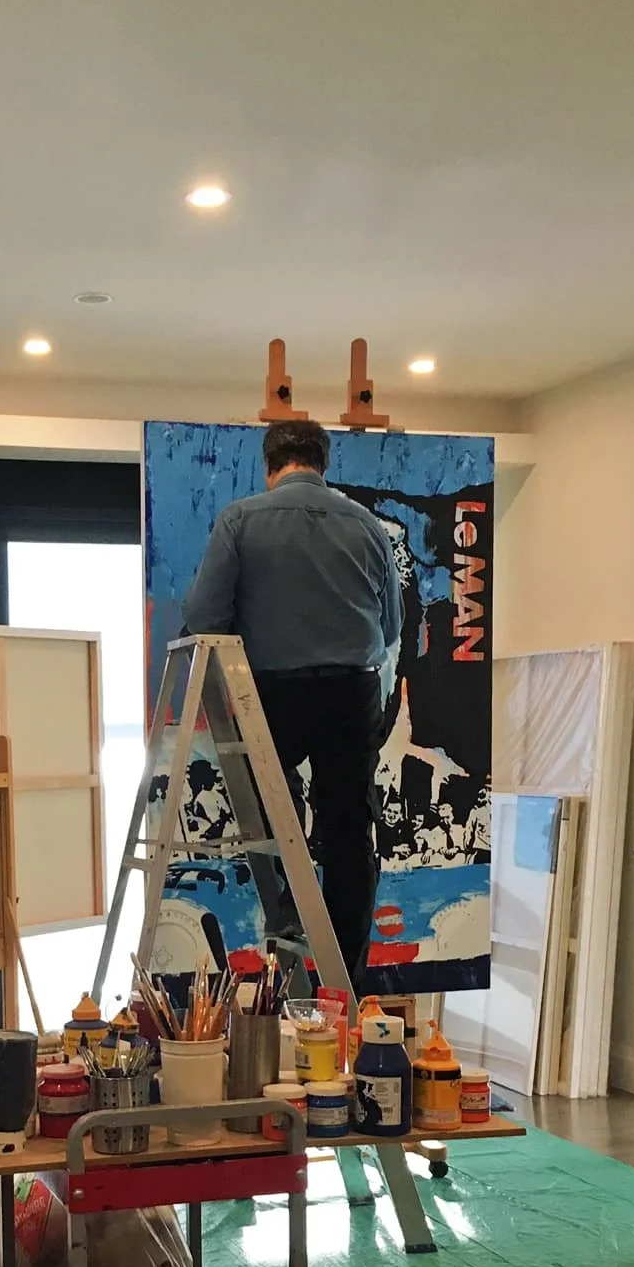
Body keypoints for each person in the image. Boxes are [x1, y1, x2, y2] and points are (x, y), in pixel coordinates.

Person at [181, 418, 403, 988]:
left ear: (270, 464)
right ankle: (343, 979)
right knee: (352, 835)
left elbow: (205, 619)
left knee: (271, 821)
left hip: (271, 695)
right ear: (323, 463)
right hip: (351, 693)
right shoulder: (369, 528)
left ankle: (285, 925)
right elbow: (393, 625)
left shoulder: (240, 520)